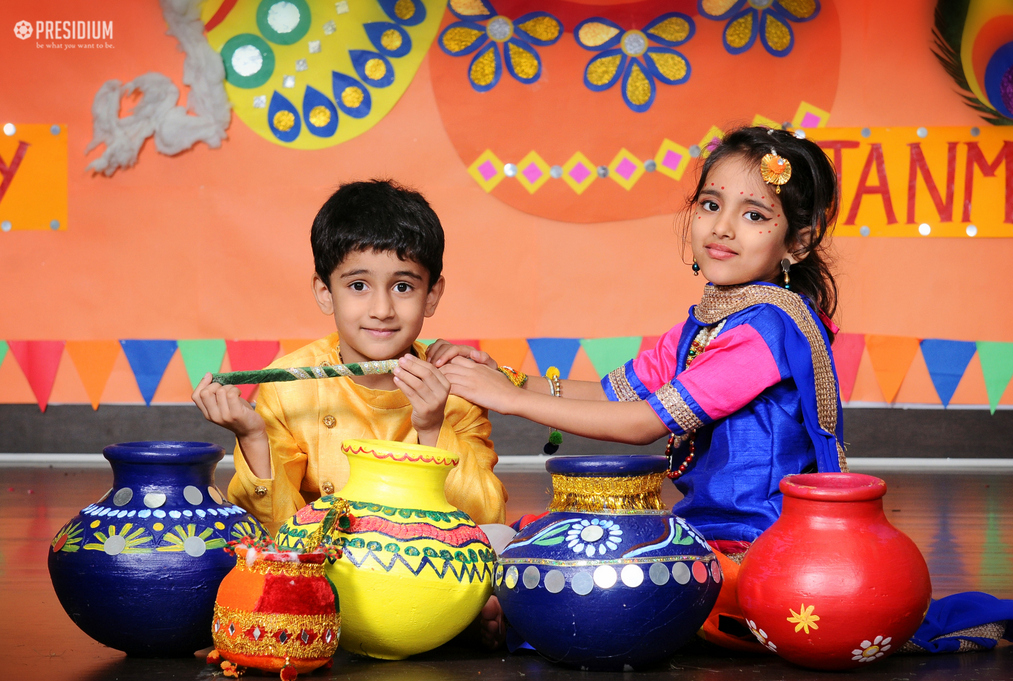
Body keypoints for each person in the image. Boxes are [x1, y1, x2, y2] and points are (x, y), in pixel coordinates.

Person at [431, 126, 846, 651]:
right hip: (704, 539)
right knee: (539, 536)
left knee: (590, 562)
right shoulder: (711, 321)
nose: (722, 228)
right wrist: (505, 376)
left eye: (755, 215)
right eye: (710, 204)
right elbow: (615, 393)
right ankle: (510, 614)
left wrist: (510, 401)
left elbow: (644, 423)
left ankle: (510, 617)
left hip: (756, 560)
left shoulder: (767, 331)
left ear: (800, 241)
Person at [192, 179, 508, 538]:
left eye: (402, 287)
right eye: (358, 285)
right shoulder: (287, 387)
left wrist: (434, 426)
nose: (382, 310)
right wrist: (251, 437)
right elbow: (271, 536)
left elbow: (486, 521)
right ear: (325, 293)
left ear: (432, 295)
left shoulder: (456, 386)